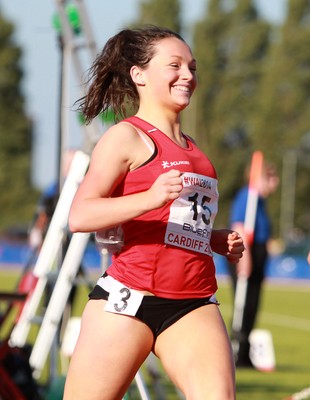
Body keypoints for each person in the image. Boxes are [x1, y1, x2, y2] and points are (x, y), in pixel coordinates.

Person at [63, 25, 245, 400]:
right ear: (139, 75)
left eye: (192, 67)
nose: (188, 76)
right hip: (128, 299)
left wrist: (211, 238)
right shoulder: (126, 137)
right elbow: (80, 215)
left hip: (193, 302)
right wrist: (150, 197)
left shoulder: (195, 150)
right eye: (174, 66)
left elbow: (170, 222)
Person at [227, 161, 279, 368]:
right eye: (271, 178)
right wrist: (245, 258)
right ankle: (237, 350)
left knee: (253, 304)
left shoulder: (261, 201)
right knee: (244, 304)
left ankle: (246, 353)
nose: (275, 183)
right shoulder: (247, 196)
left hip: (258, 253)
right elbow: (239, 225)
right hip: (247, 253)